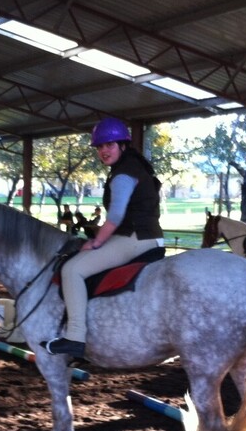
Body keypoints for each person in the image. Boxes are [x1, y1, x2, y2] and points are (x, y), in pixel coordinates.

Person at [42, 117, 163, 357]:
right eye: (100, 147)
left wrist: (96, 242)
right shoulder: (136, 166)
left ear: (122, 145)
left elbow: (116, 216)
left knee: (72, 269)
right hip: (149, 236)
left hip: (134, 238)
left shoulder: (123, 174)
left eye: (109, 145)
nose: (104, 151)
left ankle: (75, 336)